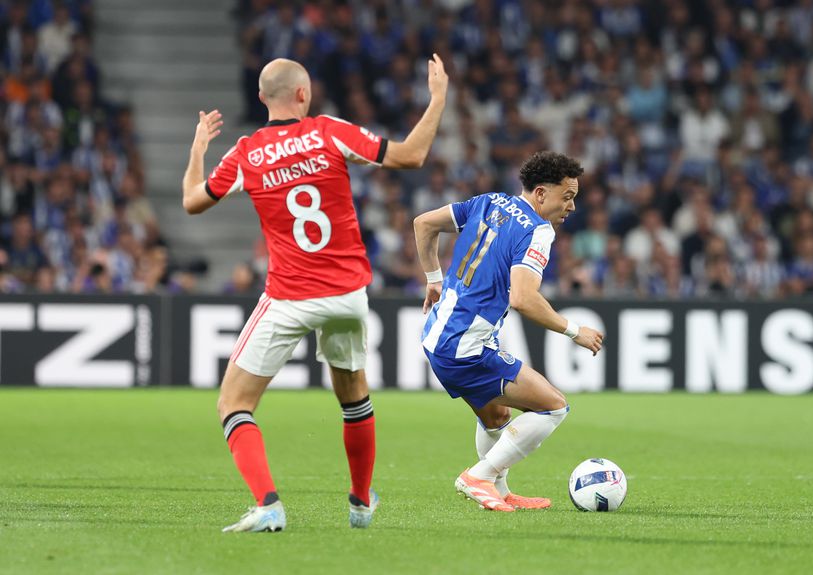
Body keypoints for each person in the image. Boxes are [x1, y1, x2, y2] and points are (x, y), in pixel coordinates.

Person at [182, 54, 449, 531]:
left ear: (262, 98)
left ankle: (268, 505)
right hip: (346, 295)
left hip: (288, 295)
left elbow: (192, 201)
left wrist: (199, 148)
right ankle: (361, 502)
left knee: (234, 405)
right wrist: (438, 99)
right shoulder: (329, 131)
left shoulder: (246, 152)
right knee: (353, 398)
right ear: (303, 94)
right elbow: (411, 155)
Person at [413, 151, 604, 512]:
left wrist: (433, 281)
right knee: (554, 406)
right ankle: (480, 476)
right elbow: (523, 298)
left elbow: (423, 223)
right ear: (542, 194)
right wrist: (574, 330)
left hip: (437, 334)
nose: (573, 207)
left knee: (497, 417)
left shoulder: (488, 201)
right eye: (567, 197)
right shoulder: (537, 230)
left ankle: (498, 490)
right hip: (465, 346)